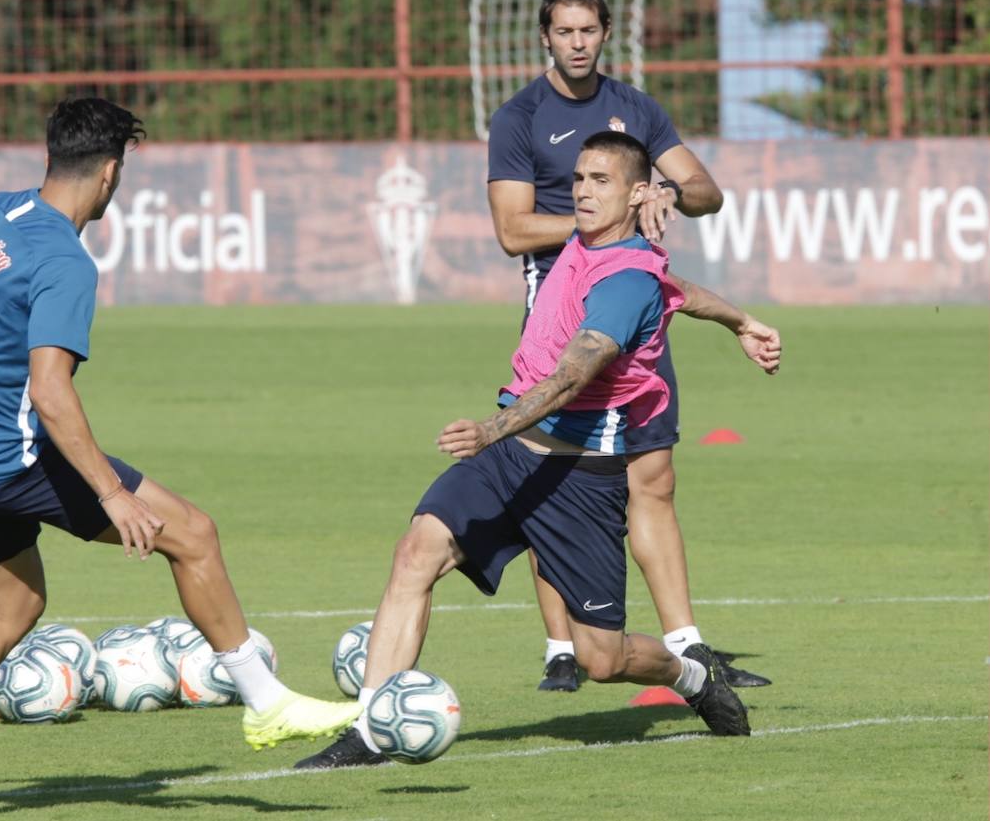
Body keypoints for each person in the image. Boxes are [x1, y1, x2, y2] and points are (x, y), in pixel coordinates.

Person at [0, 97, 361, 821]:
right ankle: (266, 702)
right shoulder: (65, 262)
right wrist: (111, 493)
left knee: (15, 605)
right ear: (109, 173)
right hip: (10, 461)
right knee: (194, 534)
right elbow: (50, 393)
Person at [295, 132, 780, 769]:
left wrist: (487, 430)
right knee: (416, 554)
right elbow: (679, 289)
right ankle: (369, 731)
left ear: (638, 194)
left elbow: (571, 378)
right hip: (506, 460)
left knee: (602, 659)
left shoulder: (626, 282)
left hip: (577, 479)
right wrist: (741, 321)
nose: (582, 191)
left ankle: (692, 675)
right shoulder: (592, 245)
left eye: (601, 180)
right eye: (579, 178)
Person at [487, 0, 770, 692]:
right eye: (564, 31)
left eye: (588, 30)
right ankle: (560, 648)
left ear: (606, 33)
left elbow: (707, 192)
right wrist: (608, 215)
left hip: (632, 305)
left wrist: (665, 190)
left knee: (655, 478)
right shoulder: (519, 117)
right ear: (545, 37)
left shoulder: (636, 108)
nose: (577, 43)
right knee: (549, 475)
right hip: (560, 316)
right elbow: (512, 229)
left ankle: (688, 645)